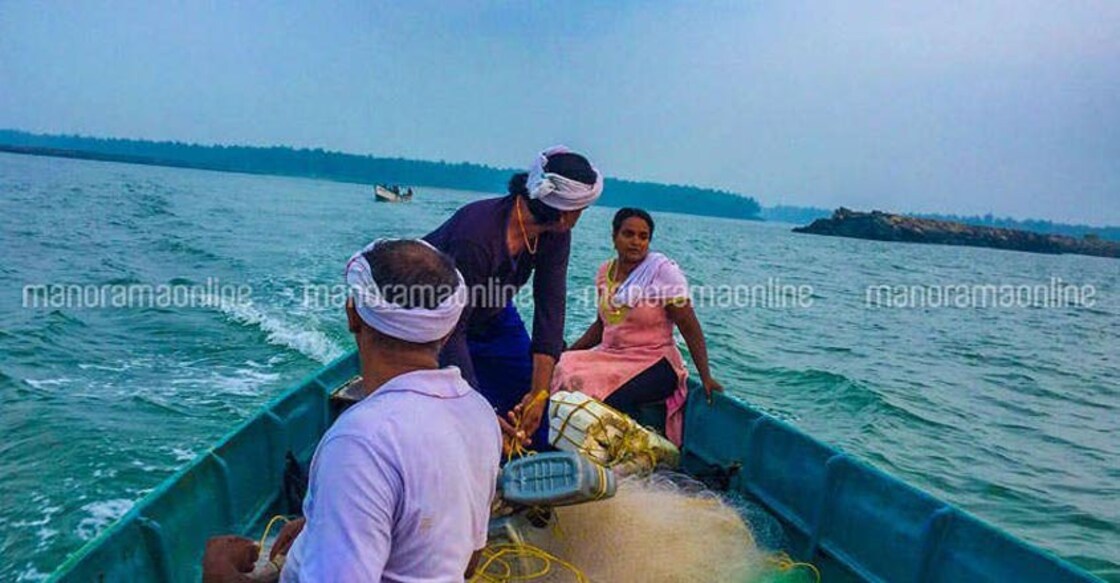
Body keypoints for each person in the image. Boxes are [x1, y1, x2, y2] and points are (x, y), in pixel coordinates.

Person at [202, 239, 501, 582]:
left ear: (352, 315)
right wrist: (320, 524)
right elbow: (466, 561)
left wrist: (219, 573)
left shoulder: (361, 440)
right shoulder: (480, 413)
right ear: (446, 333)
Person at [424, 145, 603, 451]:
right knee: (465, 417)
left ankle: (527, 464)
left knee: (532, 405)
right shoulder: (477, 238)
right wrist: (480, 412)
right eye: (581, 210)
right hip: (432, 320)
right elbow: (452, 330)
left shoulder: (556, 233)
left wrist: (539, 393)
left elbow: (550, 308)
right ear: (564, 213)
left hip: (493, 313)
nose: (580, 216)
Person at [551, 208, 722, 445]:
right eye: (628, 234)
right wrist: (569, 352)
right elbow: (602, 325)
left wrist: (706, 376)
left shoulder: (662, 273)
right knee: (558, 367)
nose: (636, 242)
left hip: (656, 362)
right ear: (614, 237)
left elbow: (688, 325)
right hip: (612, 356)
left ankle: (603, 451)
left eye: (643, 237)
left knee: (588, 388)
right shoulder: (605, 272)